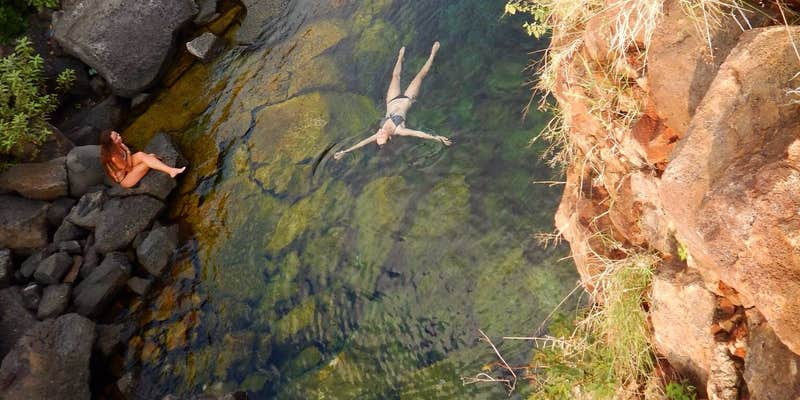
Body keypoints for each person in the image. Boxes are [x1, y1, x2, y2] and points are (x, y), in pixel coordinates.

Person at [334, 41, 451, 160]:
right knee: (420, 75)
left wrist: (345, 151)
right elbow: (418, 134)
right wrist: (437, 138)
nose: (380, 133)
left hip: (391, 100)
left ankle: (400, 57)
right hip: (408, 99)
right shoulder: (399, 130)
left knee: (395, 76)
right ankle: (433, 54)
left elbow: (362, 143)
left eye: (378, 136)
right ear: (389, 137)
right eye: (382, 136)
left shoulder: (379, 133)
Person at [100, 130, 185, 188]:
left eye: (117, 134)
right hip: (126, 178)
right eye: (116, 138)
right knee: (148, 160)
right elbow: (129, 168)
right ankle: (171, 171)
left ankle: (170, 170)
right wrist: (128, 152)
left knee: (141, 155)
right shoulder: (114, 157)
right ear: (111, 144)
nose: (119, 136)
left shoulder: (119, 146)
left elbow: (128, 163)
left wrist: (128, 153)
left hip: (127, 166)